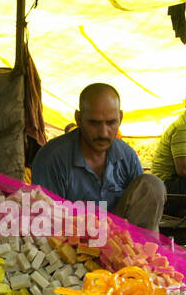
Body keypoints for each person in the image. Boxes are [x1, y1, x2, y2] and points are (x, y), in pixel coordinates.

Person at [30, 83, 164, 231]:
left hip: (120, 242)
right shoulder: (51, 158)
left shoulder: (127, 156)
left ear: (120, 117)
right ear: (78, 119)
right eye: (94, 123)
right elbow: (46, 223)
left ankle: (144, 252)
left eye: (111, 122)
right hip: (72, 241)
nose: (103, 133)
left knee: (152, 185)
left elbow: (143, 206)